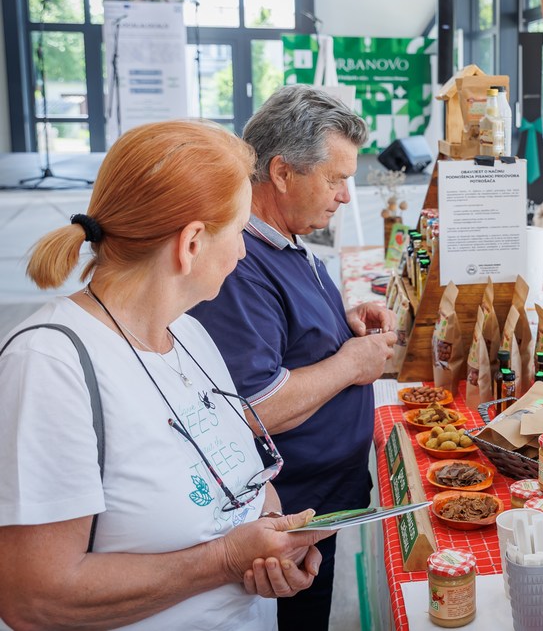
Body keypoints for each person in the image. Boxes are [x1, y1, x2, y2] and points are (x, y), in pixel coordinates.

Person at [0, 120, 331, 631]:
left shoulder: (190, 334)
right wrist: (225, 560)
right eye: (239, 233)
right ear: (192, 243)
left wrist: (271, 538)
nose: (243, 252)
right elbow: (35, 599)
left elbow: (239, 475)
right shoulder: (49, 365)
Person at [190, 85, 398, 628]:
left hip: (319, 497)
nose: (346, 196)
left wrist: (341, 323)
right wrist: (351, 364)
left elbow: (286, 339)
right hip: (286, 514)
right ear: (282, 172)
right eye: (335, 179)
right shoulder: (240, 265)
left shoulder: (284, 239)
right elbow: (255, 406)